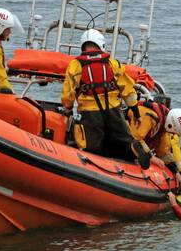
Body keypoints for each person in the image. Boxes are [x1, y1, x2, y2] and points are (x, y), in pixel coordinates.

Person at [60, 29, 152, 168]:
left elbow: (68, 93)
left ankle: (98, 169)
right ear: (101, 45)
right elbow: (128, 90)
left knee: (93, 149)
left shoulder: (75, 65)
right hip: (114, 111)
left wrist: (67, 108)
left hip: (90, 115)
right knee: (123, 141)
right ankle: (133, 148)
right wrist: (136, 113)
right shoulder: (112, 63)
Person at [127, 104, 181, 179]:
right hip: (124, 138)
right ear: (170, 125)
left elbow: (163, 151)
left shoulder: (163, 126)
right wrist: (151, 157)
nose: (173, 135)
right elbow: (135, 138)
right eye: (174, 133)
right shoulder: (148, 116)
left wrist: (176, 169)